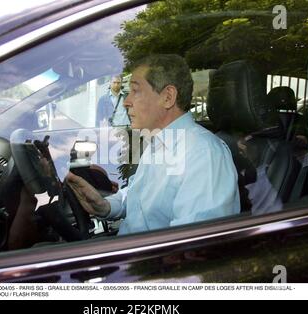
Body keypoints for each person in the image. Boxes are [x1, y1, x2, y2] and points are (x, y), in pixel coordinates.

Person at [67, 54, 240, 235]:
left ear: (167, 97)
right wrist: (105, 206)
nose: (126, 101)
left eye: (136, 91)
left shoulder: (203, 155)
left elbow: (191, 249)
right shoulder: (158, 142)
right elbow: (138, 195)